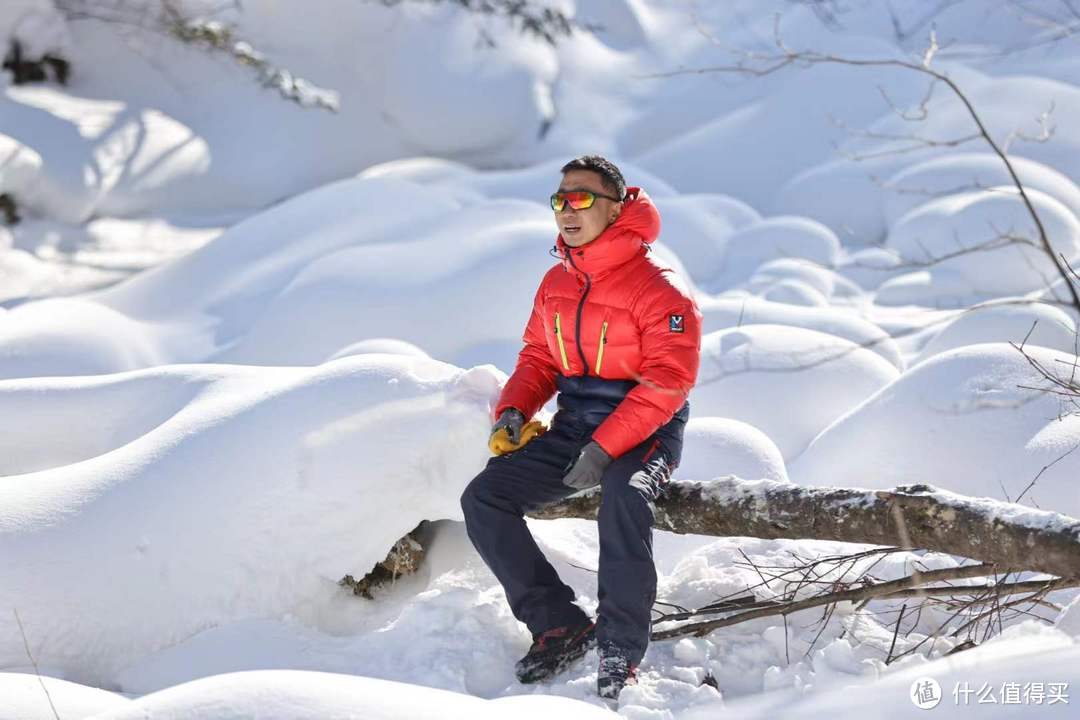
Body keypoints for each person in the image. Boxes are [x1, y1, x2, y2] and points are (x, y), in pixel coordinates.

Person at [459, 155, 702, 700]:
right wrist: (514, 411)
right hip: (574, 425)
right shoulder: (556, 281)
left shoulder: (660, 289)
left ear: (617, 209)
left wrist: (606, 447)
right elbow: (539, 358)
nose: (567, 209)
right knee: (485, 497)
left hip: (646, 431)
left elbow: (668, 383)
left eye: (582, 198)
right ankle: (558, 625)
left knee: (623, 494)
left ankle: (619, 644)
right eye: (560, 199)